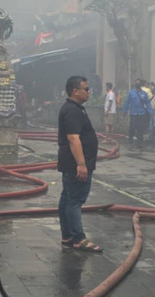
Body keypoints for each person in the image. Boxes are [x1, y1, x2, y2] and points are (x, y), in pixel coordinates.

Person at [58, 76, 102, 252]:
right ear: (75, 91)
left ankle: (67, 235)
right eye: (86, 89)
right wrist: (82, 165)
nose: (89, 92)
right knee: (74, 201)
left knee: (67, 198)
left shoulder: (74, 108)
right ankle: (78, 238)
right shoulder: (72, 110)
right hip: (75, 164)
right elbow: (73, 138)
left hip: (70, 163)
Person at [123, 79, 152, 146]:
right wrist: (125, 110)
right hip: (133, 113)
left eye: (138, 83)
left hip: (141, 113)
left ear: (140, 85)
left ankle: (139, 140)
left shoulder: (144, 94)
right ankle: (130, 139)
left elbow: (147, 103)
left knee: (140, 127)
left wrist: (150, 111)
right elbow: (127, 102)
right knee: (132, 127)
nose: (137, 84)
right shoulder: (131, 93)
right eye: (136, 83)